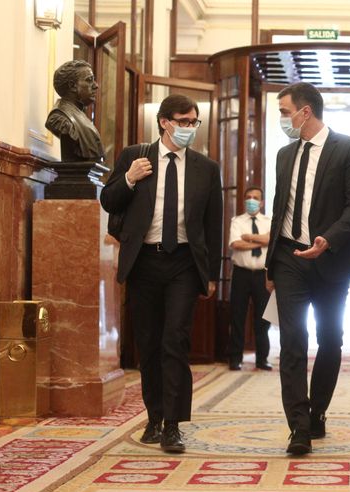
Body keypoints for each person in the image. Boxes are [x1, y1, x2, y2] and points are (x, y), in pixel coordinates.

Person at [99, 94, 222, 454]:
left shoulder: (205, 168)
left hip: (184, 262)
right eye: (183, 121)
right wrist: (130, 179)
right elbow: (109, 200)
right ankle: (153, 419)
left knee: (175, 340)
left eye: (193, 122)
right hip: (144, 263)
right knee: (149, 344)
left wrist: (211, 273)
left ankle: (172, 425)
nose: (189, 129)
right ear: (164, 122)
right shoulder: (134, 157)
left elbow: (212, 225)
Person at [264, 82, 350, 456]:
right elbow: (280, 209)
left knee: (330, 339)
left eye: (283, 111)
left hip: (330, 259)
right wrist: (270, 264)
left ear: (304, 112)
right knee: (292, 339)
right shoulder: (283, 155)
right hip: (289, 258)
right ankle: (299, 427)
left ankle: (317, 410)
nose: (281, 118)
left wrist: (327, 239)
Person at [227, 186, 273, 372]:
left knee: (263, 319)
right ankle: (235, 359)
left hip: (263, 276)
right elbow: (235, 244)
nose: (252, 200)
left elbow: (271, 240)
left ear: (262, 202)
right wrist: (260, 240)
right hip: (241, 274)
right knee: (237, 317)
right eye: (248, 197)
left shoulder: (270, 221)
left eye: (255, 198)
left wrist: (249, 237)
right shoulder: (237, 221)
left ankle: (262, 359)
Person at [45, 59, 105, 162]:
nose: (96, 85)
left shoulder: (80, 115)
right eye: (89, 80)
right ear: (72, 86)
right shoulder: (59, 119)